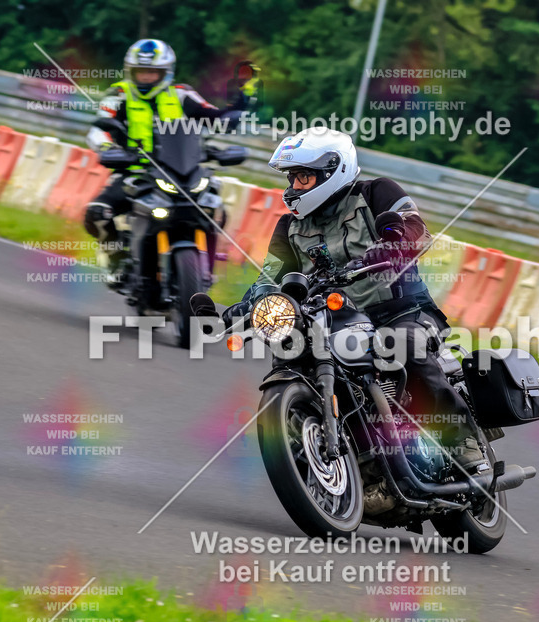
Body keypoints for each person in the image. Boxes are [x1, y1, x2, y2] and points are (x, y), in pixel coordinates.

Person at [226, 127, 487, 473]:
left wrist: (394, 244)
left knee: (404, 346)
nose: (294, 188)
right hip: (334, 322)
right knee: (289, 357)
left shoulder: (377, 192)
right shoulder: (288, 227)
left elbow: (415, 227)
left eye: (304, 177)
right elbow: (271, 275)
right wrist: (251, 303)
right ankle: (315, 459)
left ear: (333, 170)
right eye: (292, 178)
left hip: (403, 311)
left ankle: (462, 441)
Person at [84, 39, 250, 287]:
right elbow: (98, 129)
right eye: (141, 72)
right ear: (130, 71)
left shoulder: (182, 94)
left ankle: (207, 265)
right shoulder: (117, 95)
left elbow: (214, 118)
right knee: (97, 212)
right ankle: (116, 256)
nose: (146, 77)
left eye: (153, 72)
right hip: (135, 172)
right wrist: (108, 149)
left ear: (166, 72)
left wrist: (237, 107)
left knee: (216, 207)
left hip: (184, 172)